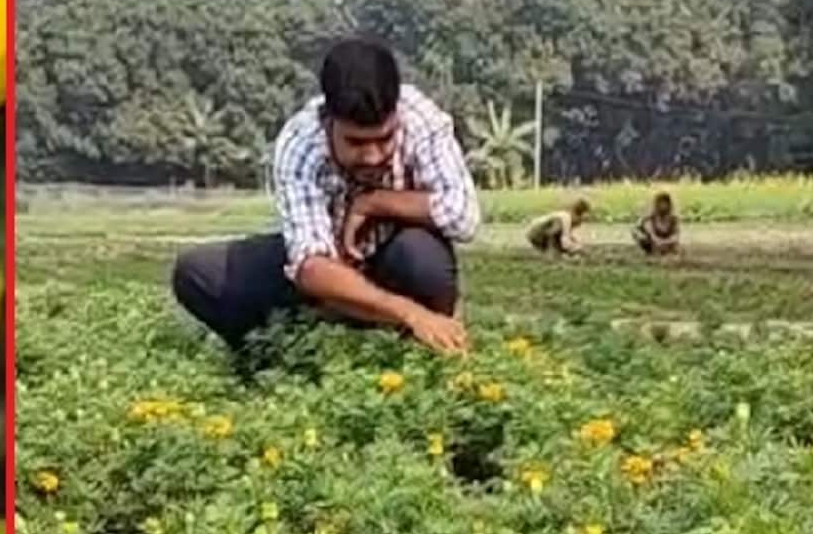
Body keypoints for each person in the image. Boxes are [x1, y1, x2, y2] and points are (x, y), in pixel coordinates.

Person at [171, 34, 480, 355]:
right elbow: (310, 267)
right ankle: (282, 358)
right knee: (198, 273)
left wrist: (374, 203)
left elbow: (463, 216)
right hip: (327, 279)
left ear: (396, 114)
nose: (373, 157)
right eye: (357, 143)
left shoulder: (420, 119)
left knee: (422, 258)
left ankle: (430, 346)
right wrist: (410, 313)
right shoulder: (300, 144)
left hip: (393, 261)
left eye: (385, 139)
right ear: (327, 121)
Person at [525, 198, 590, 256]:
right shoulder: (566, 218)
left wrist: (576, 245)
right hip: (536, 233)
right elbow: (564, 241)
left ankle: (549, 253)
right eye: (580, 221)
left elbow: (566, 238)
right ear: (577, 215)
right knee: (559, 237)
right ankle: (551, 253)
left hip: (536, 233)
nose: (579, 225)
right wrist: (579, 249)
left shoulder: (565, 217)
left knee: (566, 242)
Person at [634, 190, 681, 256]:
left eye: (665, 202)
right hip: (652, 241)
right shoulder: (649, 218)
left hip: (666, 241)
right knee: (641, 236)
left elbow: (676, 236)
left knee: (674, 248)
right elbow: (652, 235)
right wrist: (659, 242)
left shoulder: (674, 219)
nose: (663, 205)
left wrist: (665, 242)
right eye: (661, 202)